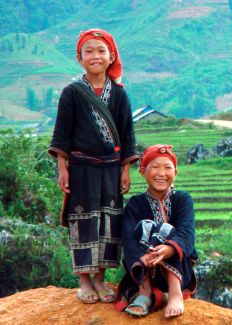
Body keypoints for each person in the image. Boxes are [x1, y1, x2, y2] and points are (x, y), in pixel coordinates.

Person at [48, 28, 138, 304]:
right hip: (81, 170)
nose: (95, 56)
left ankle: (100, 279)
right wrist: (63, 168)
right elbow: (62, 133)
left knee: (108, 222)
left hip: (111, 170)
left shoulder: (119, 95)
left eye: (101, 51)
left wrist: (125, 170)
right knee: (83, 221)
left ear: (111, 57)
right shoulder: (72, 93)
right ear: (79, 58)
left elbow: (127, 134)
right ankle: (84, 281)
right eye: (89, 51)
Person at [115, 144, 197, 318]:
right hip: (145, 268)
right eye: (155, 167)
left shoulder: (183, 199)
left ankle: (175, 294)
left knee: (167, 230)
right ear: (143, 171)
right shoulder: (135, 203)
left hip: (179, 270)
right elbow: (128, 238)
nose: (161, 173)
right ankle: (145, 292)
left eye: (167, 168)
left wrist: (169, 249)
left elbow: (187, 232)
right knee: (147, 227)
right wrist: (141, 257)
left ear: (175, 172)